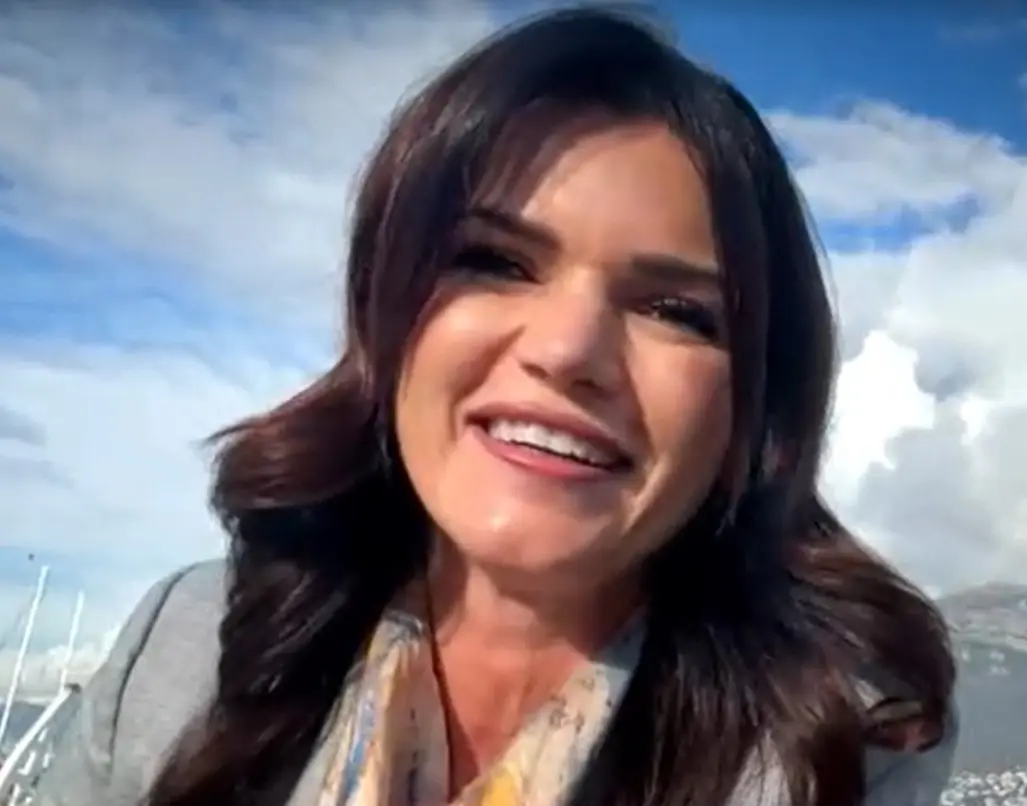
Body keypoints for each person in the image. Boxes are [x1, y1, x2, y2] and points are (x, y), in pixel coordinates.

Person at [34, 7, 957, 806]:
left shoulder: (841, 747)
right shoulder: (186, 650)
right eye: (495, 261)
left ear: (756, 401)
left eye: (675, 310)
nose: (567, 350)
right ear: (388, 311)